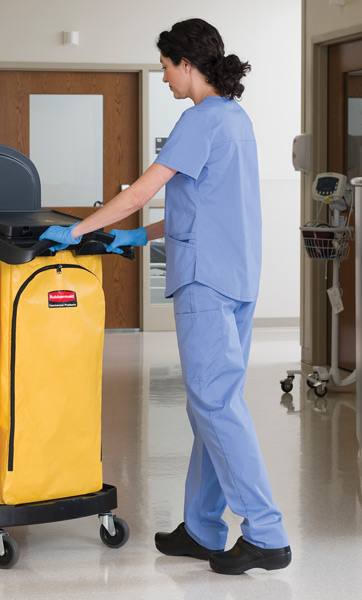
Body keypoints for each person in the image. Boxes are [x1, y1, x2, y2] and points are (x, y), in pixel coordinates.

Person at [40, 18, 291, 575]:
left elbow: (144, 189)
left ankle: (267, 533)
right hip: (236, 279)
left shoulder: (201, 120)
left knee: (215, 404)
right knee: (210, 403)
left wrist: (79, 230)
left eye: (165, 68)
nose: (164, 79)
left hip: (205, 283)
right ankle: (203, 528)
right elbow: (198, 203)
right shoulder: (236, 119)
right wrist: (139, 236)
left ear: (186, 62)